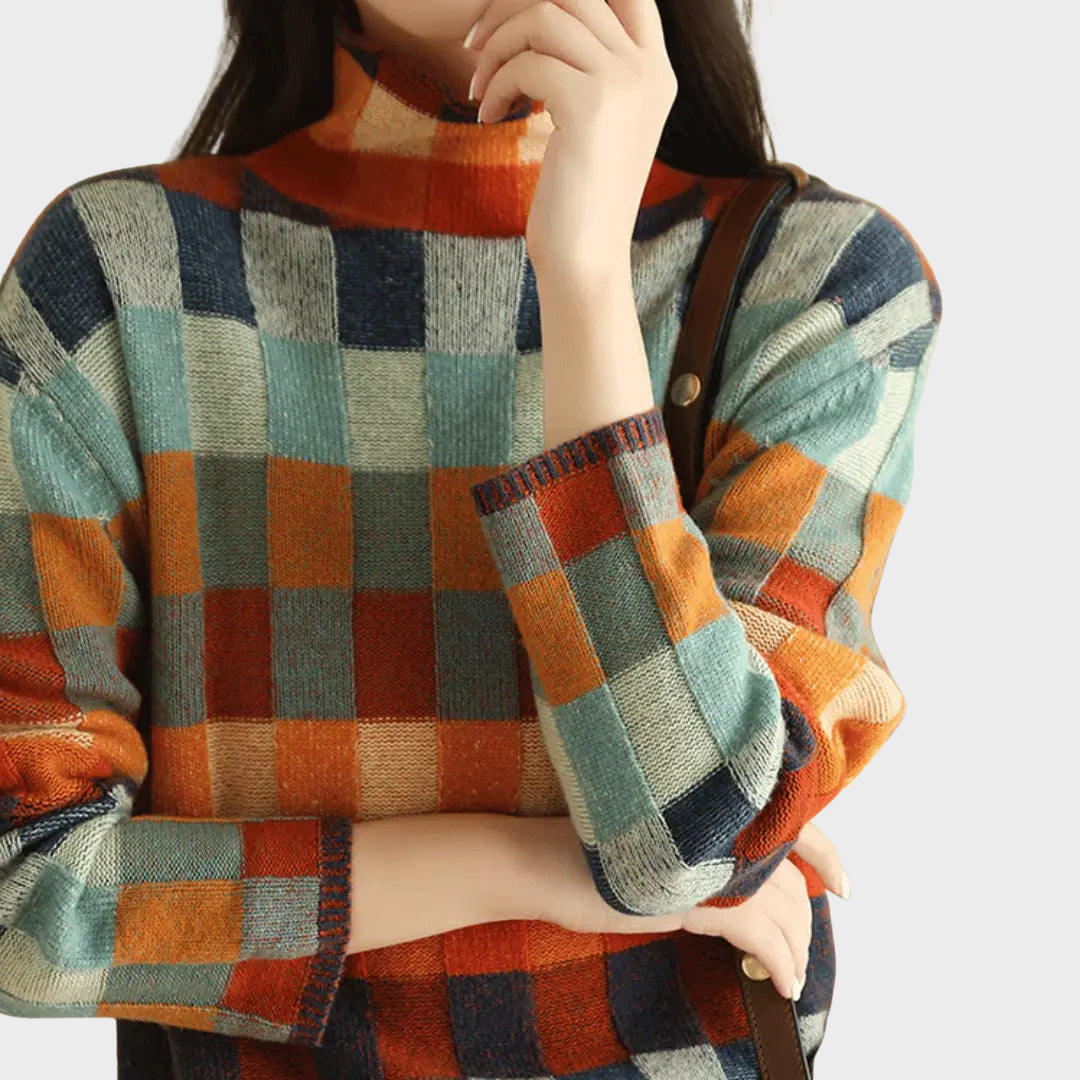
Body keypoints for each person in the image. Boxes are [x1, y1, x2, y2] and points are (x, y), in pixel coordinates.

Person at [0, 1, 942, 1077]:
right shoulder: (119, 274)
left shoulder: (819, 284)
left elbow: (691, 837)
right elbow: (26, 904)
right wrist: (530, 867)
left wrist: (584, 279)